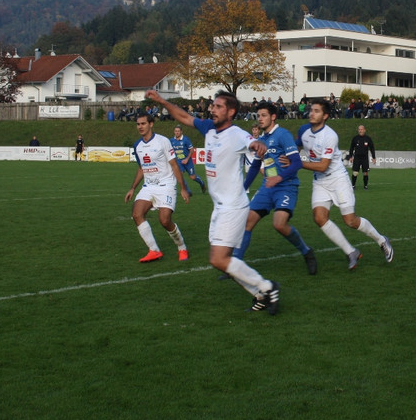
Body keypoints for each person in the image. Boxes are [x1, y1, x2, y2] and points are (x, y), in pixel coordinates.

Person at [147, 89, 281, 315]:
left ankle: (268, 287)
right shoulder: (209, 127)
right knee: (221, 260)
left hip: (233, 206)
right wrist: (162, 101)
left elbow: (254, 143)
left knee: (218, 259)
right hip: (219, 206)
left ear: (231, 112)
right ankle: (260, 295)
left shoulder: (237, 133)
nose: (213, 109)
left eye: (219, 107)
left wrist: (259, 146)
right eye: (213, 105)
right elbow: (184, 117)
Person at [297, 99, 393, 269]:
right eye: (311, 110)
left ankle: (381, 239)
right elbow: (294, 147)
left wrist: (297, 163)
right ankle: (351, 252)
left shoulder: (330, 135)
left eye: (317, 111)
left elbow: (323, 165)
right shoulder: (304, 131)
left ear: (325, 116)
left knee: (350, 221)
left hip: (337, 179)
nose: (312, 113)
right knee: (319, 218)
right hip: (320, 182)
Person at [235, 102, 317, 275]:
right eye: (258, 116)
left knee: (279, 224)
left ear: (273, 117)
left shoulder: (283, 135)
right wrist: (243, 189)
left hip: (286, 186)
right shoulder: (261, 140)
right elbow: (256, 166)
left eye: (264, 115)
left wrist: (279, 177)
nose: (260, 119)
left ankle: (307, 252)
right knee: (246, 222)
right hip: (267, 188)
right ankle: (234, 266)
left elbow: (296, 164)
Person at [123, 113, 191, 263]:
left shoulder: (163, 141)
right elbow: (142, 168)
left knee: (165, 221)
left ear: (151, 124)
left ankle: (182, 247)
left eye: (143, 123)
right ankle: (154, 250)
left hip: (166, 185)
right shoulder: (138, 145)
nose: (140, 127)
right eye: (138, 124)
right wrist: (132, 188)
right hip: (149, 186)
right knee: (137, 214)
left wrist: (183, 188)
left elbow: (174, 165)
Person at [170, 125, 207, 194]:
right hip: (178, 161)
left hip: (188, 161)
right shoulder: (172, 140)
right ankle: (187, 191)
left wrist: (187, 159)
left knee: (192, 177)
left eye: (178, 131)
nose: (177, 132)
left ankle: (202, 184)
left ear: (181, 132)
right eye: (175, 131)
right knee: (180, 175)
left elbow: (192, 150)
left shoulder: (186, 140)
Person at [347, 124, 377, 190]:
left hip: (365, 158)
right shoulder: (355, 138)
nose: (360, 131)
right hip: (357, 158)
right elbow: (351, 148)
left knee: (365, 173)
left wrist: (373, 157)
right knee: (355, 173)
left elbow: (372, 148)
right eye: (359, 129)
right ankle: (353, 185)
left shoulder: (368, 138)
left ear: (364, 130)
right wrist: (350, 156)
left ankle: (365, 186)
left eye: (361, 129)